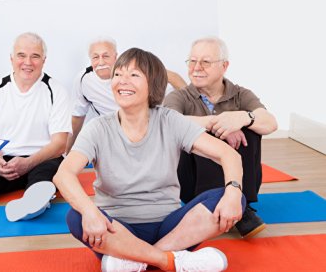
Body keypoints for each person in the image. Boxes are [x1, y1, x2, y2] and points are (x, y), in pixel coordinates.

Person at [54, 47, 246, 272]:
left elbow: (228, 154)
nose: (122, 81)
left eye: (133, 75)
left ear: (152, 84)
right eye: (118, 75)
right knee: (76, 215)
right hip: (116, 229)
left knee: (233, 197)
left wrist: (233, 193)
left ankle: (135, 260)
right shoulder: (97, 128)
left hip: (172, 228)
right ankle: (170, 261)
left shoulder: (170, 120)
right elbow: (63, 174)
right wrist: (89, 212)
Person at [163, 36, 278, 239]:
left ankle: (241, 203)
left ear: (224, 66)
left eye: (205, 62)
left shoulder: (240, 94)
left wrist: (242, 118)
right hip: (192, 182)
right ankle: (213, 203)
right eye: (192, 61)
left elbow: (270, 123)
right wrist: (220, 124)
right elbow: (169, 123)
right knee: (194, 131)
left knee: (251, 127)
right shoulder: (179, 97)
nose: (196, 67)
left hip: (237, 181)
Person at [0, 32, 72, 222]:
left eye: (35, 56)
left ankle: (32, 203)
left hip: (42, 157)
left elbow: (60, 144)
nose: (28, 62)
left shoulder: (56, 90)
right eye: (21, 55)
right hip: (4, 160)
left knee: (45, 177)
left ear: (43, 60)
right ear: (12, 59)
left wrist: (28, 163)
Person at [66, 37, 187, 153]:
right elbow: (77, 116)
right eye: (95, 57)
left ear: (115, 57)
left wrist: (191, 101)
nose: (101, 62)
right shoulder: (83, 80)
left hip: (152, 123)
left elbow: (173, 77)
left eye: (106, 56)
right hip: (118, 133)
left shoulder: (136, 67)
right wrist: (67, 151)